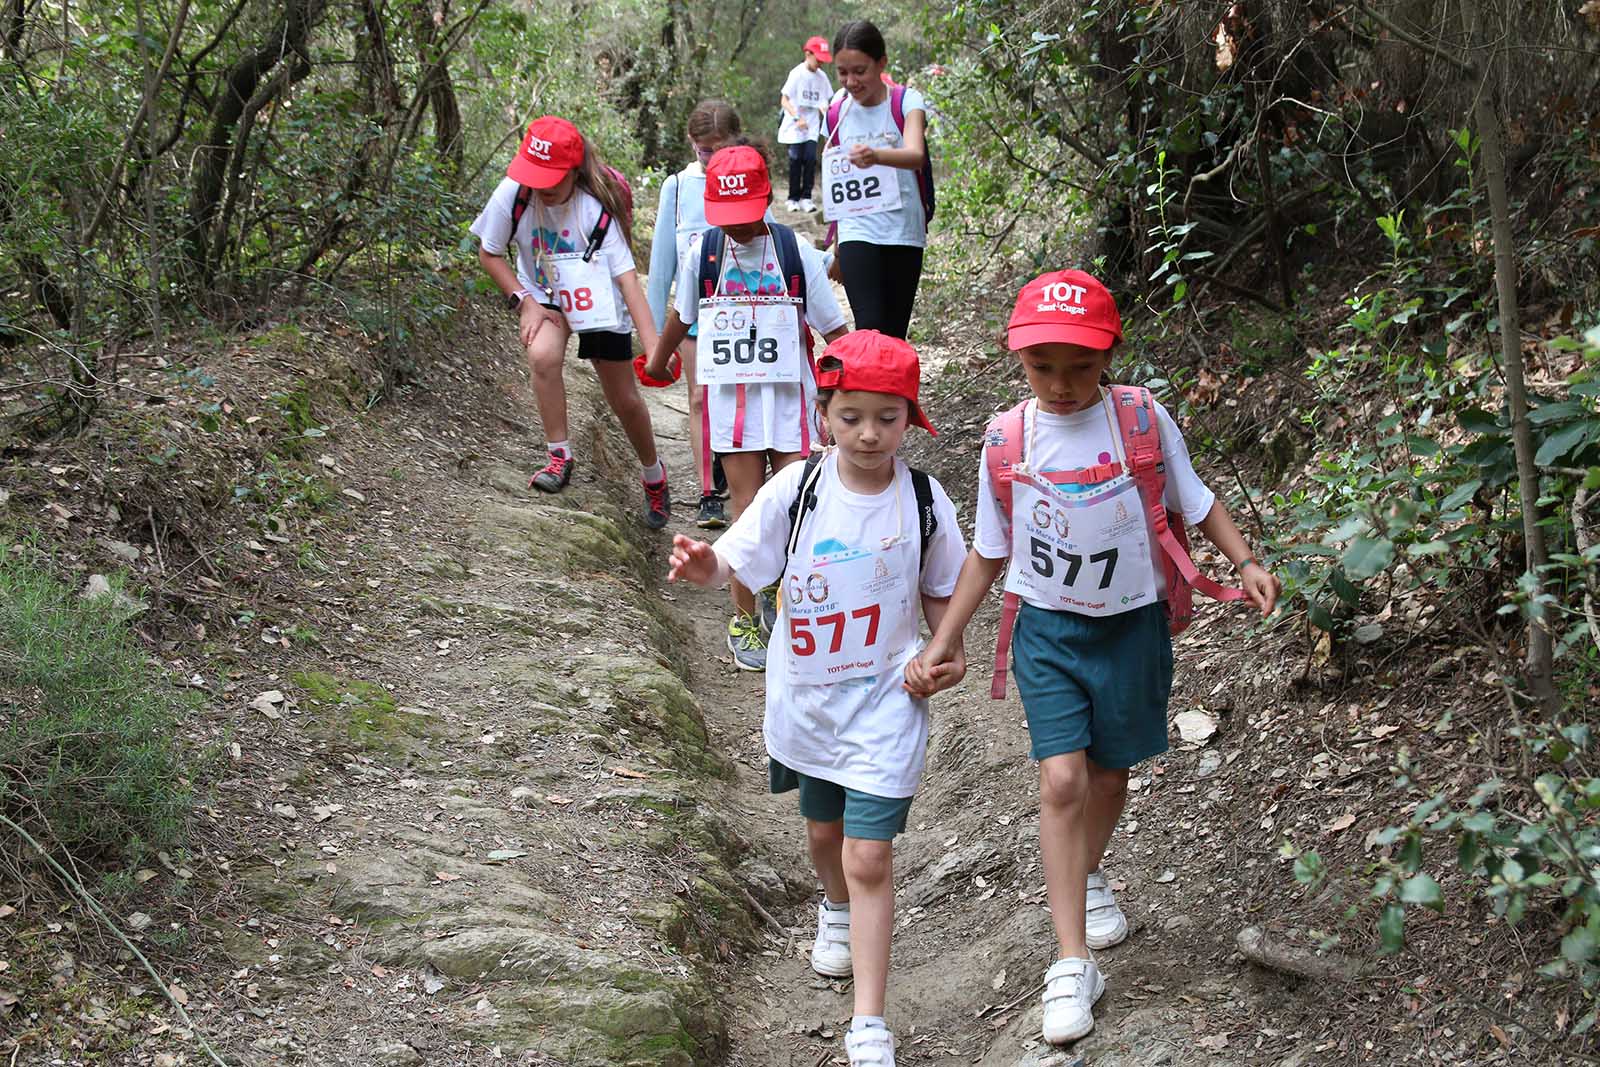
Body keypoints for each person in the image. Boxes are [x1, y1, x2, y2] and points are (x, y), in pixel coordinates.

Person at [908, 271, 1280, 1045]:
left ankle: (1085, 872)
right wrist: (944, 638)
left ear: (1109, 354)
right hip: (1046, 628)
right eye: (1043, 367)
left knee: (1111, 774)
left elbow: (1197, 497)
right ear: (1021, 363)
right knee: (1063, 776)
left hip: (1131, 627)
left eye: (1079, 366)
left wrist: (1244, 561)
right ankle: (1071, 958)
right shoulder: (1009, 437)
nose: (1062, 383)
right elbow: (989, 550)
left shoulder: (1142, 421)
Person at [667, 331, 967, 1067]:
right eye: (850, 415)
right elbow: (735, 560)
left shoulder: (924, 501)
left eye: (887, 417)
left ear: (911, 419)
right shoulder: (796, 489)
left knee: (870, 855)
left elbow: (945, 601)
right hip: (805, 702)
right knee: (825, 841)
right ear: (823, 413)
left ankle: (869, 1021)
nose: (868, 433)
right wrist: (706, 565)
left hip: (885, 707)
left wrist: (943, 658)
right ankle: (832, 905)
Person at [644, 145, 849, 670]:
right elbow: (681, 313)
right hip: (732, 401)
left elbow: (834, 331)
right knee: (747, 504)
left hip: (790, 399)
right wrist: (660, 359)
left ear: (766, 200)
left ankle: (787, 605)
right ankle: (742, 615)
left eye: (745, 216)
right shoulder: (705, 253)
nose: (735, 227)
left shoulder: (795, 252)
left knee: (799, 505)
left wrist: (844, 395)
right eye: (725, 217)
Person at [471, 115, 671, 528]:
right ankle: (559, 455)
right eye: (535, 178)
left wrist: (654, 348)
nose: (542, 190)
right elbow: (489, 253)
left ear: (574, 172)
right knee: (542, 357)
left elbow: (628, 281)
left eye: (552, 182)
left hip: (596, 295)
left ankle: (654, 474)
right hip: (543, 294)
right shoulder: (514, 195)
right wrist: (523, 301)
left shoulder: (595, 210)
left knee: (622, 397)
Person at [645, 100, 753, 529]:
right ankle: (708, 491)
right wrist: (656, 335)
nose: (708, 159)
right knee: (699, 398)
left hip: (744, 312)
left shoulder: (748, 179)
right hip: (694, 314)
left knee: (739, 398)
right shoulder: (677, 187)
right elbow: (661, 265)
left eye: (717, 148)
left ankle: (733, 465)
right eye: (701, 150)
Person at [820, 20, 928, 340]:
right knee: (869, 329)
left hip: (902, 233)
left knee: (894, 334)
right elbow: (835, 186)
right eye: (842, 72)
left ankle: (896, 391)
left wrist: (876, 156)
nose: (851, 81)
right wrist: (837, 248)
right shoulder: (836, 113)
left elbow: (915, 153)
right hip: (857, 231)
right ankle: (866, 389)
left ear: (881, 63)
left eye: (860, 70)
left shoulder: (906, 101)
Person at [778, 36, 833, 213]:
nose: (820, 64)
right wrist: (796, 118)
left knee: (810, 159)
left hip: (812, 124)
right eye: (818, 59)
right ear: (808, 54)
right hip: (795, 123)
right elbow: (784, 100)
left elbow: (825, 103)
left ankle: (806, 197)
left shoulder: (822, 78)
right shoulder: (797, 74)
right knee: (795, 159)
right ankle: (793, 198)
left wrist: (829, 120)